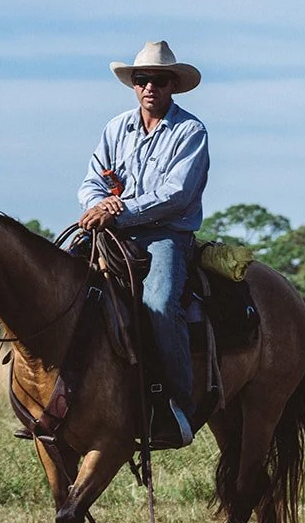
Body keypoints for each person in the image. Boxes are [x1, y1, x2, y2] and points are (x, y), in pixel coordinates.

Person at [78, 40, 210, 449]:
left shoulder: (190, 131)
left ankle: (176, 405)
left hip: (166, 235)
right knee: (58, 283)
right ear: (133, 85)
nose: (149, 87)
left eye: (158, 80)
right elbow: (91, 181)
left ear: (173, 85)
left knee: (159, 302)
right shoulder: (115, 128)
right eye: (142, 79)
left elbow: (177, 194)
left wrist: (119, 211)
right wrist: (98, 205)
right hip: (111, 230)